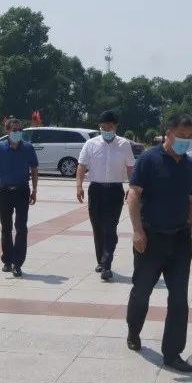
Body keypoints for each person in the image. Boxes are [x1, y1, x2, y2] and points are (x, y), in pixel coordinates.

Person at [126, 113, 192, 373]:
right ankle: (133, 330)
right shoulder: (149, 159)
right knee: (141, 291)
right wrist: (137, 231)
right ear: (168, 133)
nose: (185, 141)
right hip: (151, 238)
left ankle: (173, 353)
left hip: (179, 239)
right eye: (181, 136)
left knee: (179, 298)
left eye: (189, 137)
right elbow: (133, 195)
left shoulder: (190, 165)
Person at [76, 110, 135, 281]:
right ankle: (101, 260)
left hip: (115, 190)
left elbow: (130, 167)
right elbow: (81, 165)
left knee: (110, 228)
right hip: (96, 190)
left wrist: (132, 186)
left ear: (116, 126)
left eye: (109, 127)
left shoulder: (124, 145)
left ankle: (107, 264)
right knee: (98, 228)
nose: (106, 130)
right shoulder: (91, 144)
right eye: (103, 127)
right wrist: (79, 185)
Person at [0, 118, 39, 277]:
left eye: (19, 130)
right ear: (7, 131)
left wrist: (34, 190)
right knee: (6, 227)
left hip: (22, 191)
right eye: (14, 130)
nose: (17, 133)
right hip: (5, 192)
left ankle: (18, 263)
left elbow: (34, 169)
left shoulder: (28, 148)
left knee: (21, 227)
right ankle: (7, 260)